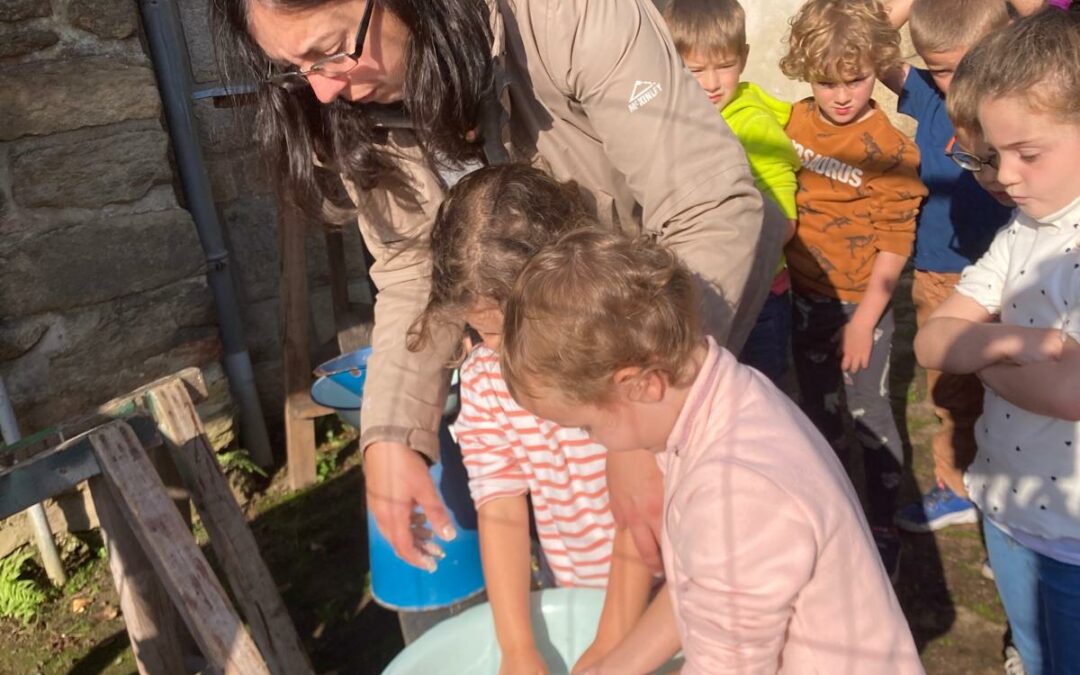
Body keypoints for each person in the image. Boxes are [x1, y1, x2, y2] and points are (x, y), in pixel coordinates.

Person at [213, 0, 785, 574]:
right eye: (295, 69)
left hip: (698, 322)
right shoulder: (358, 97)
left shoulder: (566, 16)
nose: (323, 92)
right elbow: (413, 267)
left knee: (743, 554)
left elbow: (706, 207)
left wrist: (644, 418)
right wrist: (392, 433)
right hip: (596, 382)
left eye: (330, 51)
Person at [499, 229, 923, 675]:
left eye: (586, 425)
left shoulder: (736, 493)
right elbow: (696, 591)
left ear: (641, 384)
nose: (591, 440)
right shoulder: (717, 399)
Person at [409, 165, 653, 674]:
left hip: (669, 593)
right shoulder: (484, 379)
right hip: (579, 587)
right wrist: (518, 648)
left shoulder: (624, 356)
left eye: (511, 330)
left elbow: (640, 520)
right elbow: (499, 504)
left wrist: (611, 646)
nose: (500, 354)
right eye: (483, 333)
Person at [914, 10, 1080, 673]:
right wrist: (1019, 343)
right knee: (1034, 650)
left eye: (1026, 154)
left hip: (1071, 535)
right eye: (989, 155)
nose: (1004, 176)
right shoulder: (1018, 232)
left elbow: (1071, 393)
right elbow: (932, 340)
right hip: (1006, 509)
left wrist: (980, 352)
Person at [779, 0, 927, 580]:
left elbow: (896, 238)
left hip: (860, 306)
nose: (842, 95)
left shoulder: (889, 147)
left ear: (877, 68)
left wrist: (865, 319)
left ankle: (884, 526)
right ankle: (834, 514)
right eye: (827, 81)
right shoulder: (792, 121)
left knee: (870, 416)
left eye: (857, 79)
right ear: (805, 72)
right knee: (818, 414)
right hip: (804, 298)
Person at [874, 0, 1015, 534]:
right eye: (940, 68)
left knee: (1013, 392)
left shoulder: (1021, 103)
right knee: (950, 393)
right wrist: (904, 9)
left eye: (967, 65)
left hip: (1011, 278)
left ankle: (1011, 499)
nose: (956, 82)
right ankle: (955, 488)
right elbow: (867, 47)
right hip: (941, 274)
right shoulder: (927, 98)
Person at [663, 0, 801, 385]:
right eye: (695, 71)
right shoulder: (676, 119)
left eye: (724, 66)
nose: (710, 83)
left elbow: (784, 223)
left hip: (760, 295)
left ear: (744, 57)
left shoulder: (753, 126)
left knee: (757, 390)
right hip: (705, 289)